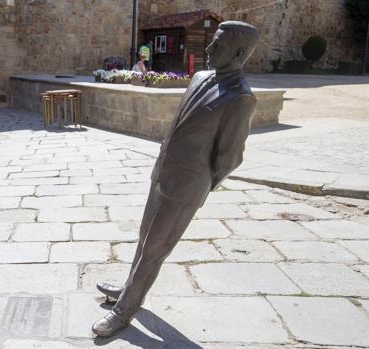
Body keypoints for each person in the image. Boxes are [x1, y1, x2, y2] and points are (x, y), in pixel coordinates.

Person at [92, 21, 260, 337]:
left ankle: (125, 309)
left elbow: (230, 157)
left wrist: (202, 182)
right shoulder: (199, 77)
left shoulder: (241, 98)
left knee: (156, 247)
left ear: (239, 52)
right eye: (212, 42)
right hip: (163, 172)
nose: (209, 49)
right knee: (144, 236)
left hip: (188, 186)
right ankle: (130, 289)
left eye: (219, 45)